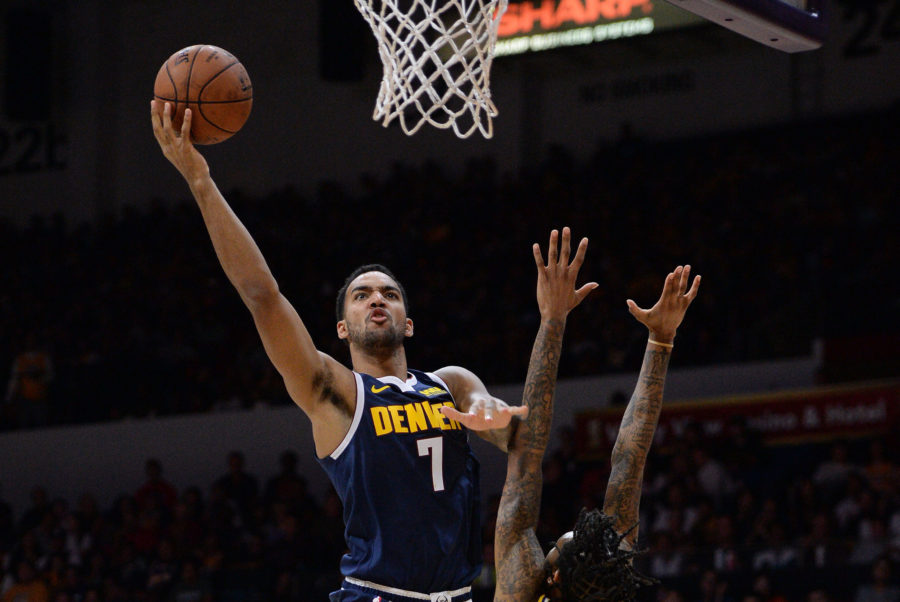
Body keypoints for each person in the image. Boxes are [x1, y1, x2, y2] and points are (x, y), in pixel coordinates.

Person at [151, 101, 526, 602]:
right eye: (362, 294)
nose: (377, 299)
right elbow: (262, 297)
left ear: (408, 324)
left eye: (390, 294)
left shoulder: (450, 383)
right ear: (342, 329)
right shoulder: (337, 393)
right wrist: (200, 181)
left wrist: (490, 413)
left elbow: (513, 434)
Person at [465, 261, 699, 601]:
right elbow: (628, 462)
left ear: (554, 577)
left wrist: (552, 320)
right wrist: (661, 341)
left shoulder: (522, 589)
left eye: (561, 542)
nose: (566, 533)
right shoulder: (607, 577)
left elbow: (528, 453)